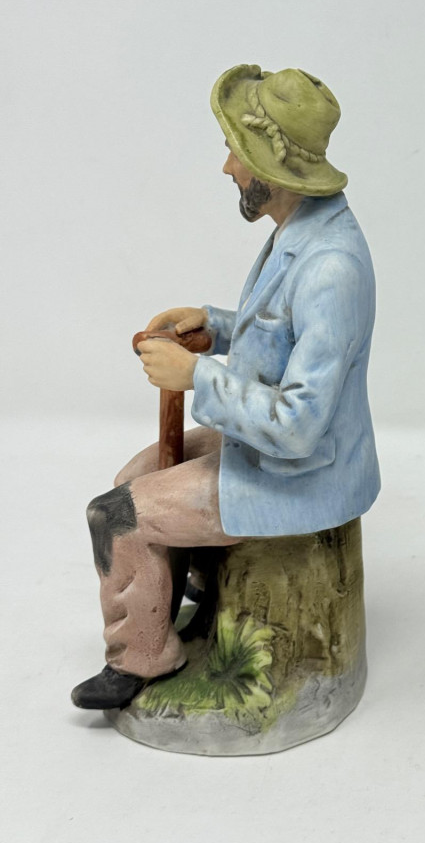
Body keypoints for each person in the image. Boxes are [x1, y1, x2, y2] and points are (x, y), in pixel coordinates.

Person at [72, 65, 380, 710]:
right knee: (137, 474)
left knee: (116, 514)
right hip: (266, 446)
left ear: (271, 166)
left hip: (302, 471)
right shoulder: (303, 229)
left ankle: (141, 656)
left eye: (237, 153)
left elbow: (299, 425)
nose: (227, 169)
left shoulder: (332, 267)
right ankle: (188, 587)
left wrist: (197, 377)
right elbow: (283, 333)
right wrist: (215, 328)